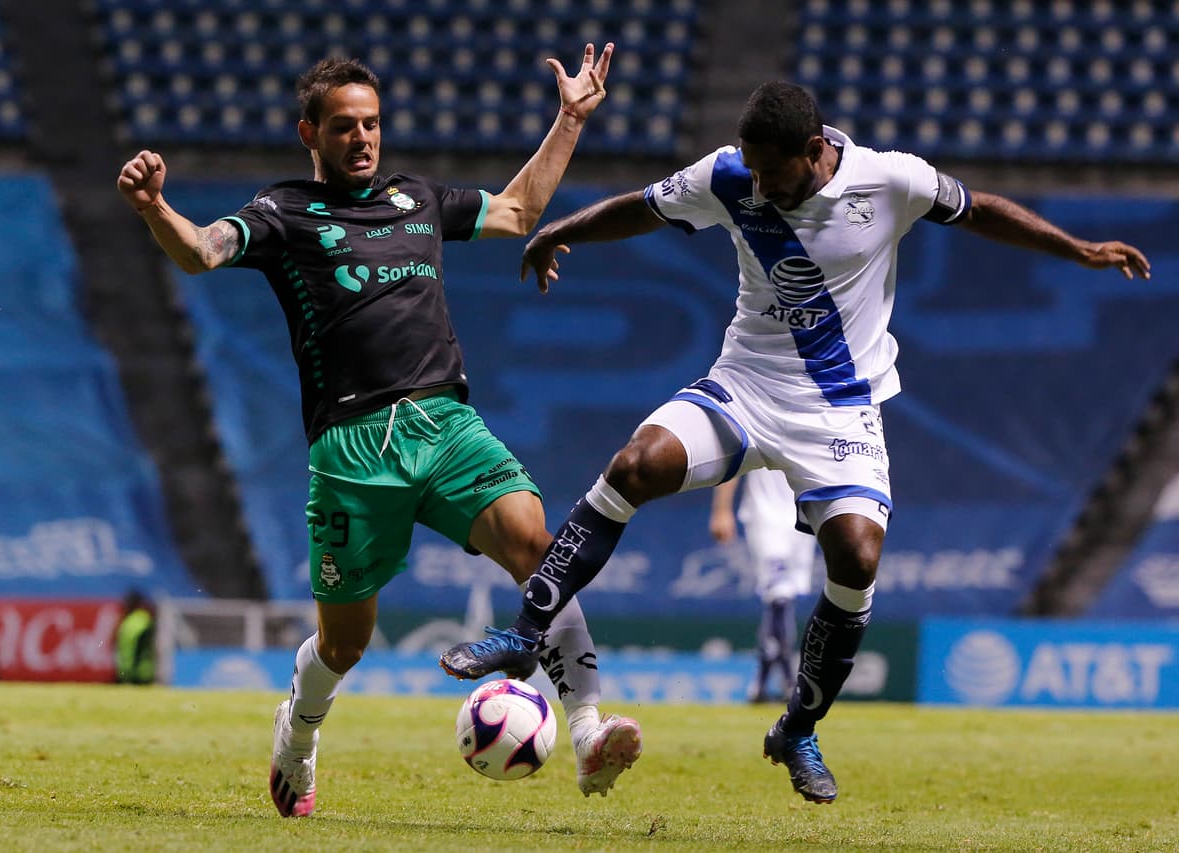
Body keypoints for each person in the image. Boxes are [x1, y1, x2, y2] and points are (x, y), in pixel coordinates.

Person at [440, 80, 1151, 804]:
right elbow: (643, 206)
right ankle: (526, 633)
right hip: (745, 382)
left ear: (814, 151)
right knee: (637, 463)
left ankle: (798, 728)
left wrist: (1079, 249)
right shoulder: (729, 173)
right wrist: (562, 229)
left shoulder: (890, 178)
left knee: (856, 556)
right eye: (750, 168)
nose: (757, 185)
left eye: (771, 173)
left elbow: (982, 211)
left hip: (840, 411)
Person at [117, 45, 643, 818]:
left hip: (445, 421)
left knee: (538, 547)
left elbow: (518, 211)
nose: (362, 138)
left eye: (372, 124)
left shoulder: (418, 198)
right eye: (344, 127)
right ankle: (297, 732)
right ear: (311, 134)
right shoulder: (283, 213)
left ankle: (590, 732)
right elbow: (201, 251)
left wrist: (569, 119)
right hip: (353, 448)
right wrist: (155, 207)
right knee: (344, 643)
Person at [709, 468, 816, 703]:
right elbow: (734, 462)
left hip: (804, 518)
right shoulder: (758, 429)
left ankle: (762, 683)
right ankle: (789, 681)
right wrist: (721, 510)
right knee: (779, 599)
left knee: (784, 598)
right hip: (766, 516)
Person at [114, 589, 155, 685]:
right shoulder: (131, 618)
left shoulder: (141, 619)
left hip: (138, 673)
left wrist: (132, 671)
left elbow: (140, 647)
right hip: (128, 671)